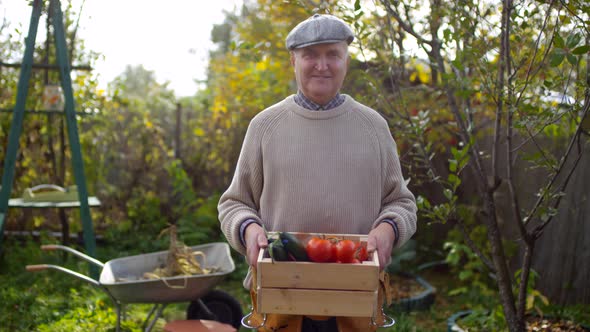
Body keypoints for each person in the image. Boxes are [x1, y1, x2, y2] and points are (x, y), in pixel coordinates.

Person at [218, 13, 417, 331]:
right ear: (293, 61)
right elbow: (234, 204)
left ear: (346, 61)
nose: (321, 65)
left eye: (332, 55)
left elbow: (401, 203)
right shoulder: (265, 127)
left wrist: (389, 229)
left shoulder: (373, 127)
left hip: (355, 299)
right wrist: (248, 231)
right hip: (281, 297)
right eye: (310, 55)